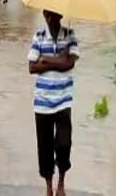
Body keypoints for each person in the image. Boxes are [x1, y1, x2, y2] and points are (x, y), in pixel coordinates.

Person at [27, 10, 79, 196]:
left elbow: (69, 64)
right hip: (42, 101)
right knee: (45, 146)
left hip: (64, 100)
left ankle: (61, 183)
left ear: (60, 16)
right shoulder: (39, 36)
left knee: (64, 143)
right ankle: (49, 187)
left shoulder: (70, 35)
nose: (50, 19)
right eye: (47, 15)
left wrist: (46, 59)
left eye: (53, 15)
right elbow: (32, 67)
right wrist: (59, 60)